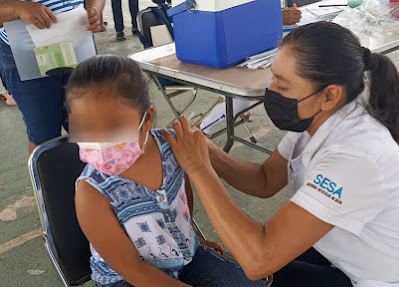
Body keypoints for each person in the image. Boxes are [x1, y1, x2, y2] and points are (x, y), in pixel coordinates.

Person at [164, 22, 399, 287]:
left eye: (282, 86)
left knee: (253, 267)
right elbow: (265, 180)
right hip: (350, 259)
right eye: (273, 79)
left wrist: (199, 168)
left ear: (329, 95)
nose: (270, 92)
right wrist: (208, 151)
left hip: (398, 280)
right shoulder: (315, 116)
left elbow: (258, 259)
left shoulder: (356, 157)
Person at [67, 55, 266, 287]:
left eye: (115, 127)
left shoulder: (171, 146)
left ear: (148, 118)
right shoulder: (90, 191)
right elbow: (132, 268)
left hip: (185, 255)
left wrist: (193, 239)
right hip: (126, 279)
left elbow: (182, 193)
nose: (99, 140)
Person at [0, 0, 104, 154]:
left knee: (90, 128)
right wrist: (17, 8)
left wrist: (94, 7)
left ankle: (94, 177)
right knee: (44, 136)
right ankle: (49, 176)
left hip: (78, 42)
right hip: (25, 51)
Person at [199, 5, 302, 136]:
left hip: (244, 53)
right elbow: (228, 23)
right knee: (242, 99)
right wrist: (274, 18)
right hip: (213, 56)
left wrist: (274, 16)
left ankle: (227, 100)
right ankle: (201, 131)